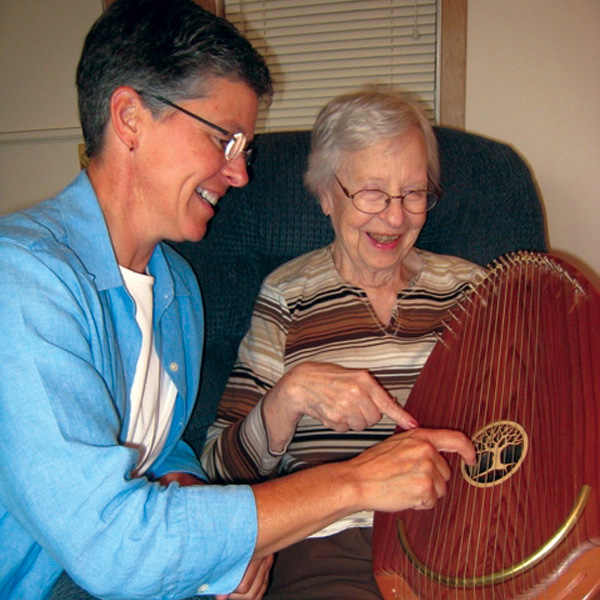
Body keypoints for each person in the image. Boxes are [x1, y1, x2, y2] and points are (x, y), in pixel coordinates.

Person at [0, 0, 475, 596]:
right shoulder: (22, 282)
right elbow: (110, 544)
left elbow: (162, 447)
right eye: (223, 139)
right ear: (129, 118)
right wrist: (354, 483)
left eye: (243, 149)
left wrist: (217, 538)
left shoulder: (175, 289)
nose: (242, 174)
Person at [201, 89, 486, 599]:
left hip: (464, 540)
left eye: (414, 193)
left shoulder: (474, 291)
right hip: (332, 544)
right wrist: (287, 399)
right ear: (326, 195)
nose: (396, 218)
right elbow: (218, 471)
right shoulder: (287, 295)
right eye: (372, 193)